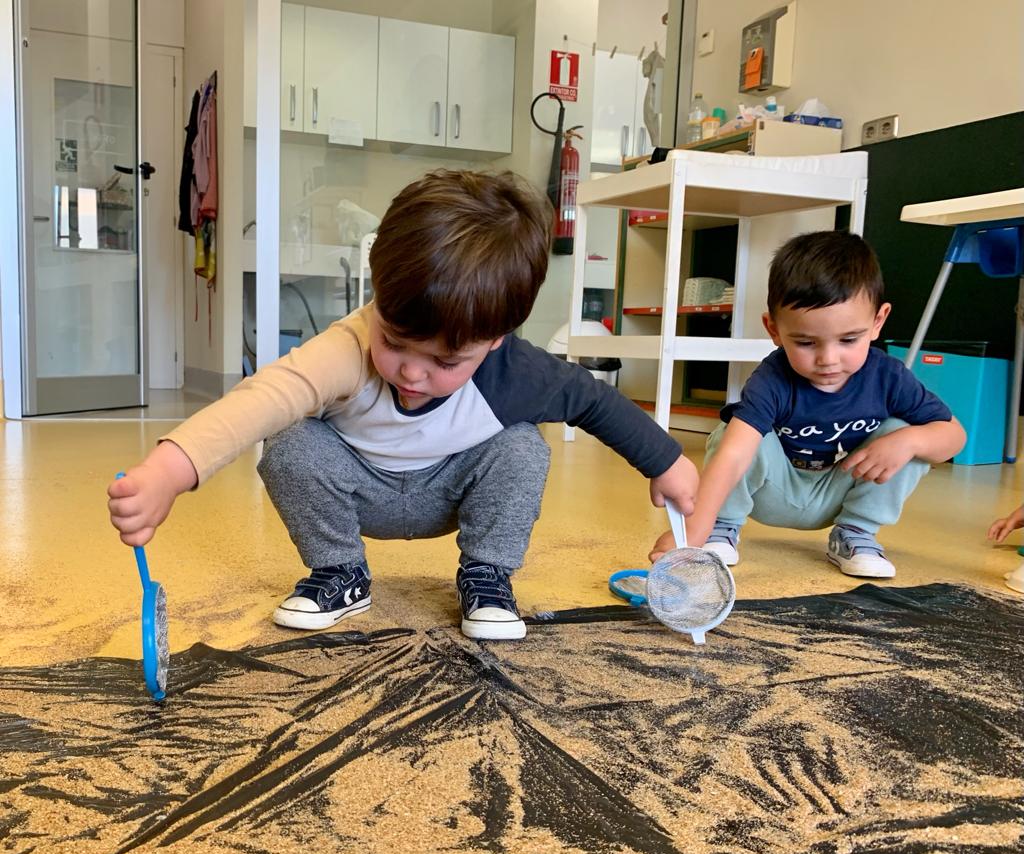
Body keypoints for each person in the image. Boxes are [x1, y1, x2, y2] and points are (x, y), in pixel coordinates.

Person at [108, 170, 698, 640]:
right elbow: (260, 402)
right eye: (393, 342)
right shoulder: (345, 350)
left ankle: (487, 576)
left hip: (452, 493)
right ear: (376, 294)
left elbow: (595, 403)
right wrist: (168, 470)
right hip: (359, 493)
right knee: (288, 441)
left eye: (445, 361)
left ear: (494, 341)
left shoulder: (518, 372)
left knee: (522, 446)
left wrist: (668, 463)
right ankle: (341, 572)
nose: (412, 372)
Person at [649, 230, 965, 577]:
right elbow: (735, 454)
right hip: (773, 493)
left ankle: (856, 533)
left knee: (908, 432)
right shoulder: (772, 379)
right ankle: (721, 527)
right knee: (733, 433)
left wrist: (909, 441)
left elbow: (954, 437)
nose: (828, 359)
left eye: (848, 339)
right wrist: (695, 527)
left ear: (878, 321)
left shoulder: (889, 377)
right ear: (773, 329)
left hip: (840, 494)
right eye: (805, 342)